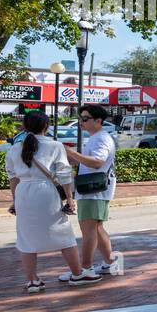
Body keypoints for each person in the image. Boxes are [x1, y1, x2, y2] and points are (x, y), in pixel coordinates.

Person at [5, 110, 92, 292]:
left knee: (26, 239)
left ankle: (32, 281)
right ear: (46, 126)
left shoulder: (14, 149)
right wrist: (69, 198)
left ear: (25, 127)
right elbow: (65, 174)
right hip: (46, 192)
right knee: (63, 233)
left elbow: (13, 178)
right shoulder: (55, 146)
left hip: (23, 193)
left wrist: (15, 201)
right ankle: (77, 274)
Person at [61, 103, 124, 282]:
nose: (81, 122)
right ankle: (110, 262)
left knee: (88, 229)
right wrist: (74, 159)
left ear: (98, 120)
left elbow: (97, 162)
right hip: (95, 190)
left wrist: (73, 153)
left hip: (93, 191)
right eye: (80, 118)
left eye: (85, 119)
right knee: (96, 228)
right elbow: (94, 161)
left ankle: (86, 269)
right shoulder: (97, 137)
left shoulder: (101, 138)